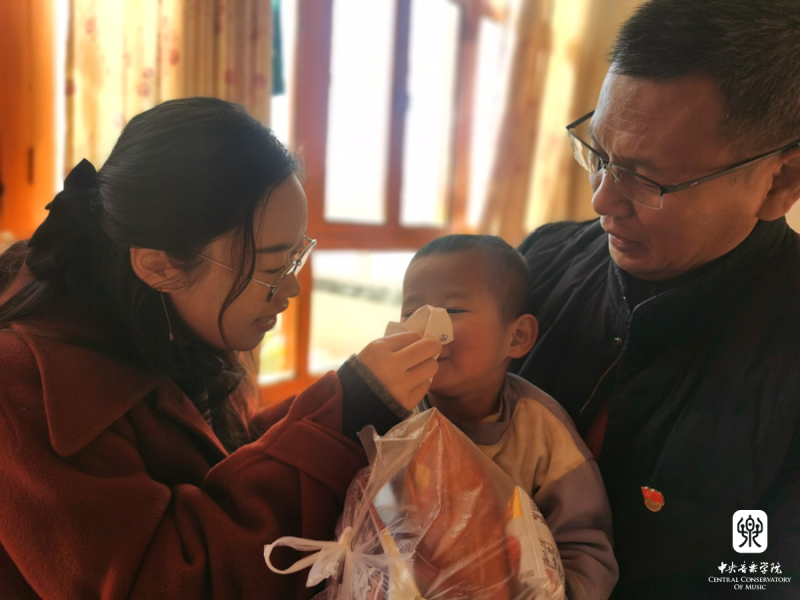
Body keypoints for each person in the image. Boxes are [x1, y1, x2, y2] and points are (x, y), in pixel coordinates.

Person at [0, 97, 441, 599]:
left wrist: (347, 400)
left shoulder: (159, 321)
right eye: (271, 268)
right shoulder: (24, 387)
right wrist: (339, 418)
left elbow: (218, 461)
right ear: (159, 265)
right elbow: (170, 583)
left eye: (295, 257)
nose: (291, 288)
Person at [512, 1, 800, 598]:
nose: (601, 201)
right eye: (599, 154)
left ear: (780, 182)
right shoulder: (541, 261)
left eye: (647, 178)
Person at [399, 234, 618, 600]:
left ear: (517, 337)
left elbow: (584, 547)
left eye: (452, 310)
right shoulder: (391, 414)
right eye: (410, 313)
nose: (426, 326)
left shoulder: (542, 431)